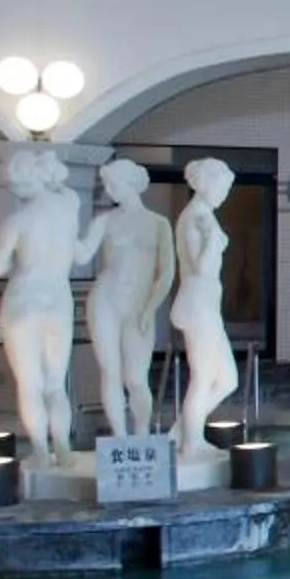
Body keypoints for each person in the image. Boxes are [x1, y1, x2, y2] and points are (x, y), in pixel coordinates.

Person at [0, 144, 83, 463]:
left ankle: (41, 452)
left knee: (30, 384)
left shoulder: (17, 222)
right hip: (58, 301)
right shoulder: (69, 207)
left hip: (23, 301)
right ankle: (65, 450)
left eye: (14, 184)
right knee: (57, 384)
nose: (13, 190)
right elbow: (65, 190)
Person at [76, 157, 175, 438]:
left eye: (114, 184)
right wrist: (61, 228)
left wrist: (150, 308)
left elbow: (166, 274)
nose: (109, 190)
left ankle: (142, 435)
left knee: (135, 377)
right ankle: (120, 437)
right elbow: (83, 254)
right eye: (107, 185)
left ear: (131, 183)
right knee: (110, 372)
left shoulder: (158, 224)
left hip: (139, 304)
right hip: (105, 299)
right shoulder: (104, 221)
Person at [171, 156, 239, 457]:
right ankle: (191, 442)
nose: (225, 194)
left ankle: (181, 433)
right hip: (197, 307)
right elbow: (201, 267)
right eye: (223, 187)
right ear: (207, 184)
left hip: (206, 306)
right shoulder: (195, 216)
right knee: (204, 377)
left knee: (227, 380)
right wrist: (214, 239)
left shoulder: (202, 215)